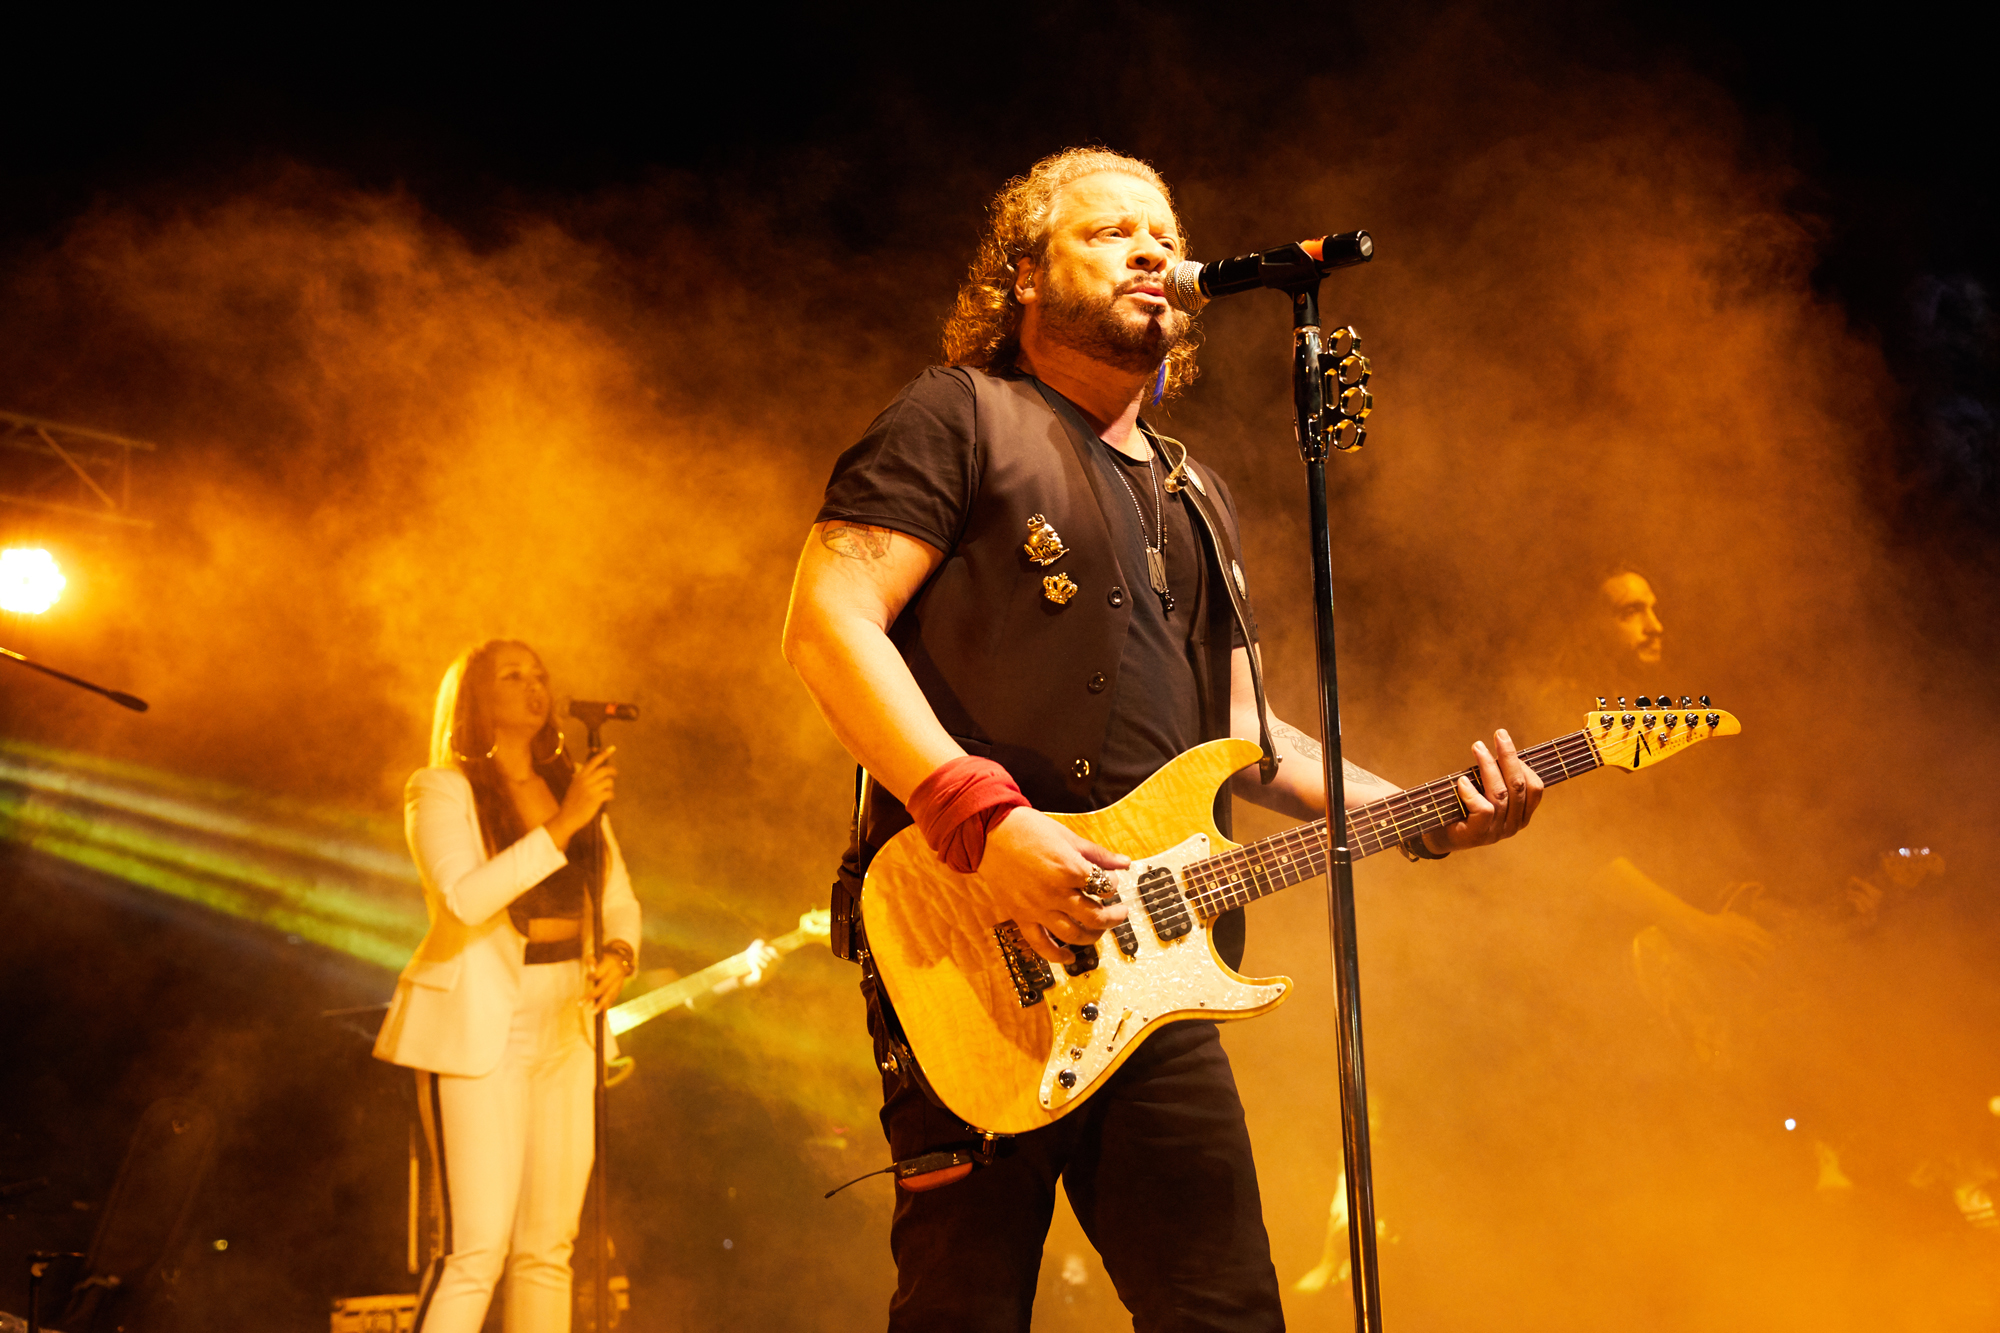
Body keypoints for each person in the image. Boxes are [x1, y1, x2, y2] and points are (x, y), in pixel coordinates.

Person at [782, 147, 1546, 1331]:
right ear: (1022, 276)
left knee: (1224, 1311)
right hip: (969, 935)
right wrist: (987, 823)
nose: (1149, 250)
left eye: (1163, 234)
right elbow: (828, 622)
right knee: (960, 1310)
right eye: (1108, 232)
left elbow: (1242, 730)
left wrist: (1426, 813)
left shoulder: (1197, 494)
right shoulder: (957, 416)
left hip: (1150, 972)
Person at [372, 639, 637, 1332]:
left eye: (539, 673)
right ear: (475, 696)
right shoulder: (440, 788)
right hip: (481, 1022)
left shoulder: (566, 782)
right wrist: (564, 821)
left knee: (548, 1248)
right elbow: (465, 898)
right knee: (475, 1249)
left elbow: (619, 897)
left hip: (568, 1018)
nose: (533, 685)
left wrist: (619, 953)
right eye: (512, 675)